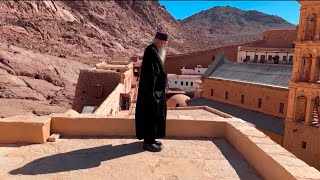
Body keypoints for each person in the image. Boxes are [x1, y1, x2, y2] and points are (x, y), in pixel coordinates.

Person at [135, 32, 168, 152]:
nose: (164, 46)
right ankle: (148, 143)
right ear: (158, 41)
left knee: (155, 116)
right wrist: (152, 94)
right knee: (150, 116)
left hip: (155, 91)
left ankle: (152, 139)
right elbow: (150, 75)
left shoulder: (153, 51)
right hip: (151, 93)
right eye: (163, 43)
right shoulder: (151, 51)